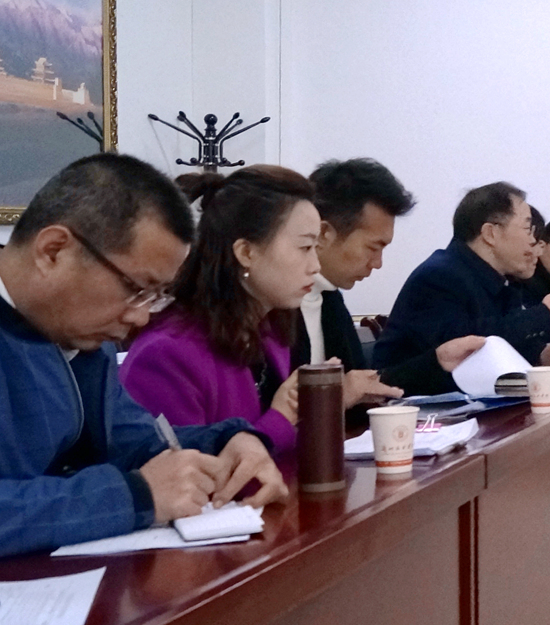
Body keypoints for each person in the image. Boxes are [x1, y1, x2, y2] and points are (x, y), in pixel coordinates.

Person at [0, 154, 286, 558]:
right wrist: (134, 496)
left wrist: (228, 443)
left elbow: (134, 438)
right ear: (53, 251)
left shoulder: (85, 337)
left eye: (156, 296)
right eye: (136, 289)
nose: (140, 317)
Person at [123, 167, 400, 454]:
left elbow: (288, 448)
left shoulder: (272, 331)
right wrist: (283, 417)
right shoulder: (168, 353)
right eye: (305, 247)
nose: (315, 266)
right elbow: (186, 472)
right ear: (246, 252)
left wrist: (321, 405)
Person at [374, 183, 550, 395]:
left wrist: (542, 355)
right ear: (491, 234)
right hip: (408, 407)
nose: (532, 243)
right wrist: (544, 314)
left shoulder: (503, 280)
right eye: (527, 229)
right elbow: (468, 349)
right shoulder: (440, 276)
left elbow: (505, 341)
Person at [295, 158, 485, 399]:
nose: (378, 263)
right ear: (323, 234)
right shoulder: (274, 306)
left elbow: (361, 387)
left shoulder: (329, 299)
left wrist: (437, 362)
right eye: (373, 248)